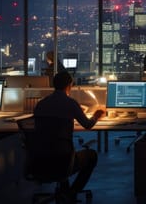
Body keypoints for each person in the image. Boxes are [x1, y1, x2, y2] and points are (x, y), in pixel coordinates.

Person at [33, 71, 105, 201]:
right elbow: (88, 125)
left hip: (40, 161)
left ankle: (65, 191)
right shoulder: (70, 103)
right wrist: (96, 115)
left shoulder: (40, 104)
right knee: (92, 156)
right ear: (69, 86)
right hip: (64, 161)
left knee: (58, 151)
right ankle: (72, 192)